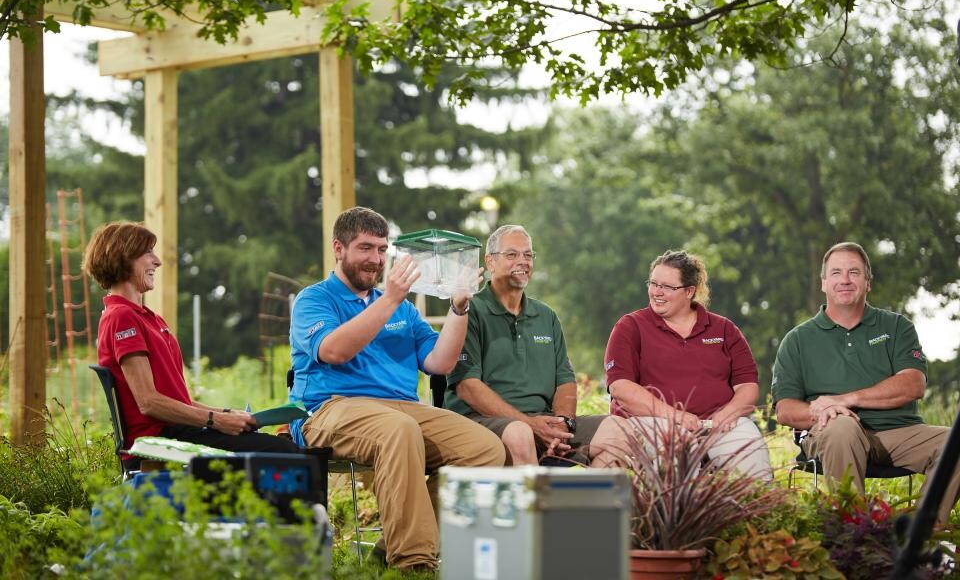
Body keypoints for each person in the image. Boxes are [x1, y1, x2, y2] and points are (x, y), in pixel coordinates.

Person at [288, 207, 505, 572]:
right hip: (329, 408)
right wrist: (387, 299)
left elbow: (441, 363)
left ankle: (389, 549)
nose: (375, 259)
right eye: (365, 248)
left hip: (400, 408)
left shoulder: (403, 309)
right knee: (398, 430)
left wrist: (459, 305)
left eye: (381, 249)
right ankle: (414, 563)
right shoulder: (316, 299)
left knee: (485, 450)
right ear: (338, 249)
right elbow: (334, 350)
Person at [773, 242, 960, 524]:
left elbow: (913, 384)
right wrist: (824, 410)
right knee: (842, 427)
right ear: (824, 283)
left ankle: (918, 536)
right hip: (832, 434)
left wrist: (846, 399)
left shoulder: (897, 327)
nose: (845, 280)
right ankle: (856, 538)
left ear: (868, 282)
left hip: (899, 433)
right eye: (836, 273)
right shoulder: (798, 340)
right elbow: (785, 409)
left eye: (854, 272)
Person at [84, 222, 300, 462]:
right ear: (123, 258)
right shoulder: (121, 317)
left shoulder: (148, 318)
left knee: (277, 446)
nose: (157, 261)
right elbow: (148, 402)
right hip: (160, 441)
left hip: (176, 431)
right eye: (148, 253)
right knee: (282, 453)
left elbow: (177, 400)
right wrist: (216, 420)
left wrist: (228, 415)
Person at [444, 224, 630, 468]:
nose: (523, 261)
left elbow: (565, 380)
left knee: (618, 432)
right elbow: (467, 388)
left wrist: (563, 424)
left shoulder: (546, 315)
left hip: (543, 423)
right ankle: (534, 507)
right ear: (490, 262)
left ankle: (582, 507)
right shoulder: (470, 310)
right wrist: (530, 425)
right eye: (512, 255)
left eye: (528, 255)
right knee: (520, 434)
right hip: (484, 422)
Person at [604, 250, 773, 480]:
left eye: (667, 287)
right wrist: (674, 416)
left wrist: (729, 413)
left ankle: (755, 514)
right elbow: (621, 388)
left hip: (716, 425)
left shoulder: (724, 329)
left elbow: (748, 386)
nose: (657, 292)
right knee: (680, 449)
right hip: (654, 423)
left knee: (750, 448)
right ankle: (681, 516)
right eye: (653, 283)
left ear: (689, 291)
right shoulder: (630, 326)